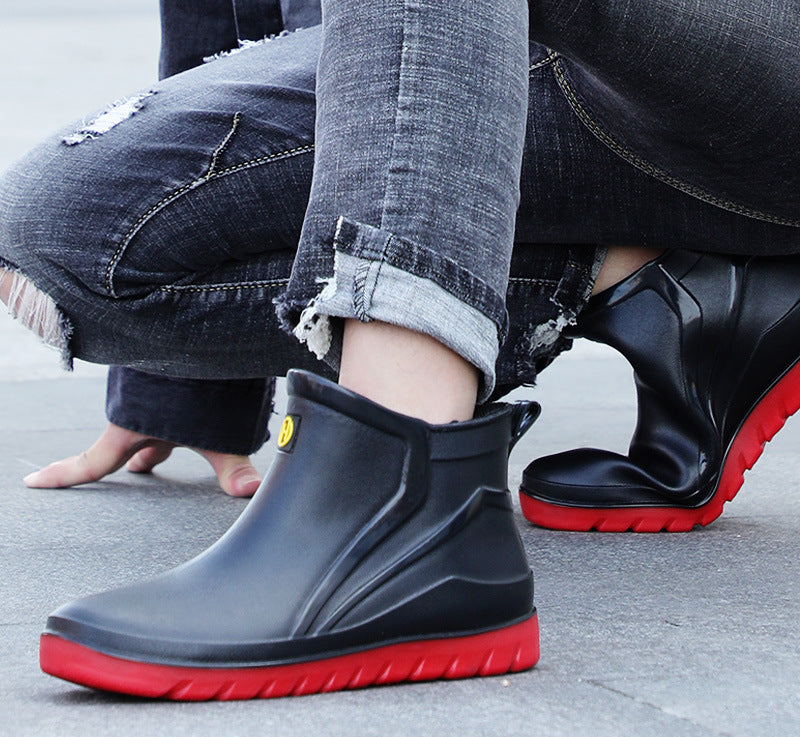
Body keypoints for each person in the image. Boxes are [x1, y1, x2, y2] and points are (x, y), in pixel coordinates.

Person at [1, 0, 799, 699]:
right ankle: (670, 287)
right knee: (73, 237)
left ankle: (401, 481)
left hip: (748, 72)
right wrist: (188, 393)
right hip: (475, 53)